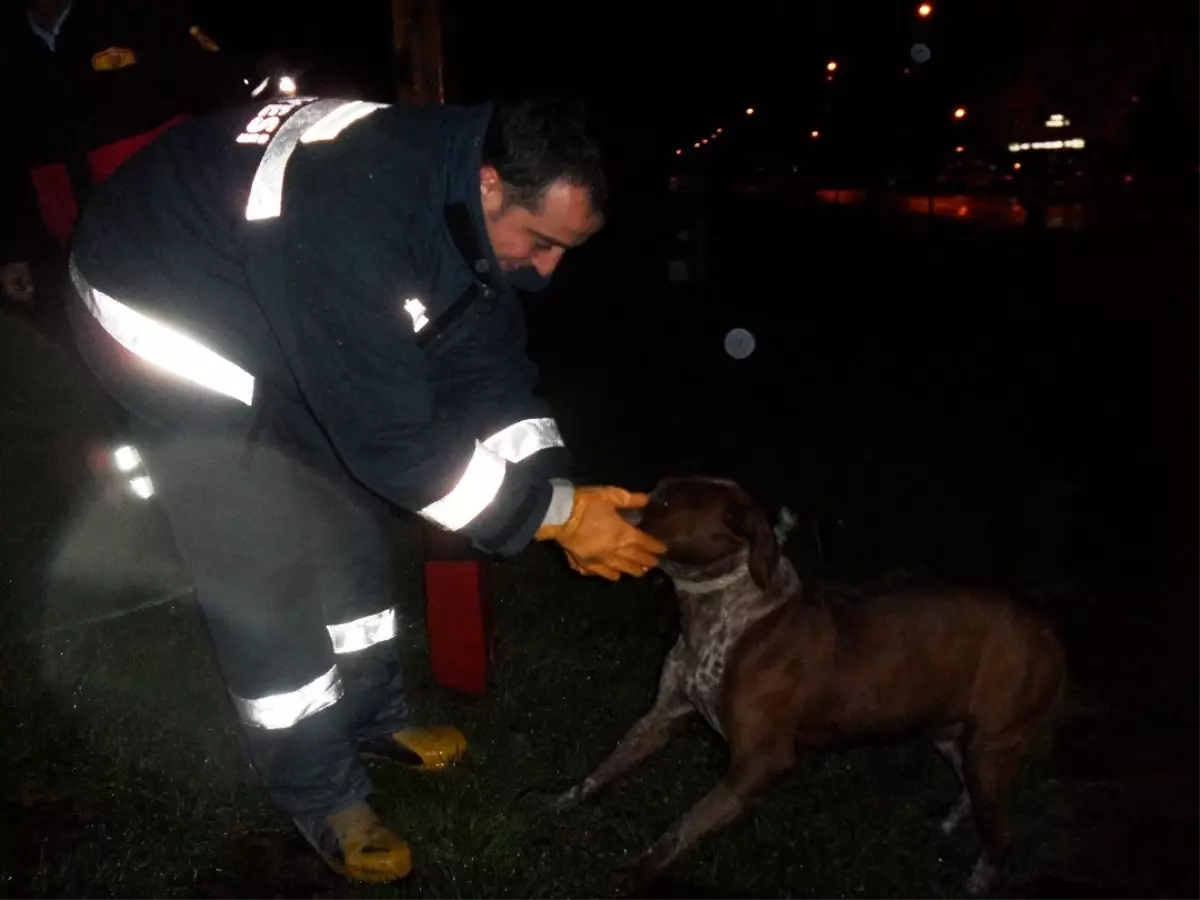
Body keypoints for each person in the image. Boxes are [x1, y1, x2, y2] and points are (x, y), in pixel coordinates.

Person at [65, 93, 668, 882]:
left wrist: (560, 490)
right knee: (261, 556)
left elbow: (487, 372)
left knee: (347, 515)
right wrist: (553, 522)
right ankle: (323, 795)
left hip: (278, 296)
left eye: (567, 251)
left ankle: (372, 719)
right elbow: (395, 443)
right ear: (490, 185)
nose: (548, 269)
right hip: (167, 314)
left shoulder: (459, 204)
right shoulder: (356, 210)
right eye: (544, 242)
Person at [0, 0, 245, 317]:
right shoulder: (9, 47)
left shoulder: (138, 15)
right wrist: (12, 251)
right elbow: (7, 157)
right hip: (81, 250)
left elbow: (225, 104)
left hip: (180, 230)